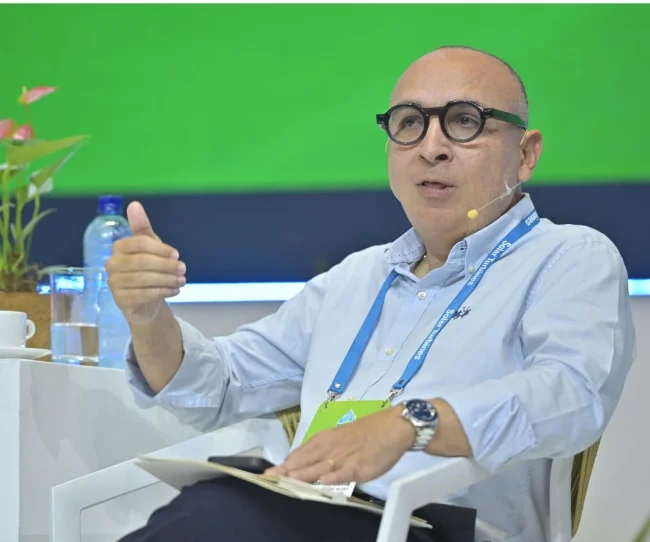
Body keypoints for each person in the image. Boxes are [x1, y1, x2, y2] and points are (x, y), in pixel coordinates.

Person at [107, 46, 636, 542]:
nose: (431, 148)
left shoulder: (569, 257)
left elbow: (573, 396)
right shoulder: (356, 277)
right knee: (210, 508)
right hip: (317, 511)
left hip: (443, 529)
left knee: (213, 516)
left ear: (525, 154)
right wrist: (148, 317)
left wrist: (412, 423)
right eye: (409, 123)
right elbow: (218, 387)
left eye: (464, 122)